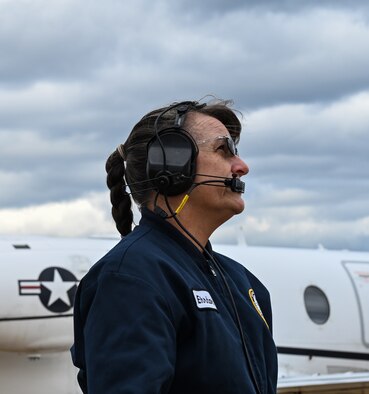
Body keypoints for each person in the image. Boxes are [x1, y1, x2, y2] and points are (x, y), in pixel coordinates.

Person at [71, 99, 278, 394]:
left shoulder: (245, 284)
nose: (242, 167)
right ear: (172, 163)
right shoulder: (130, 278)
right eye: (224, 150)